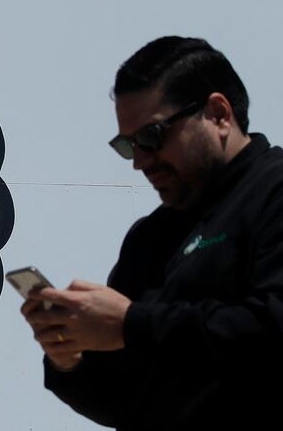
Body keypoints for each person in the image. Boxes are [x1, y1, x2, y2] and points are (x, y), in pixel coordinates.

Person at [21, 36, 283, 429]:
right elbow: (125, 402)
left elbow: (272, 331)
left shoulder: (273, 191)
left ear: (218, 114)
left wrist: (132, 325)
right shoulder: (150, 237)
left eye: (151, 137)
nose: (140, 162)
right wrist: (71, 360)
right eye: (128, 146)